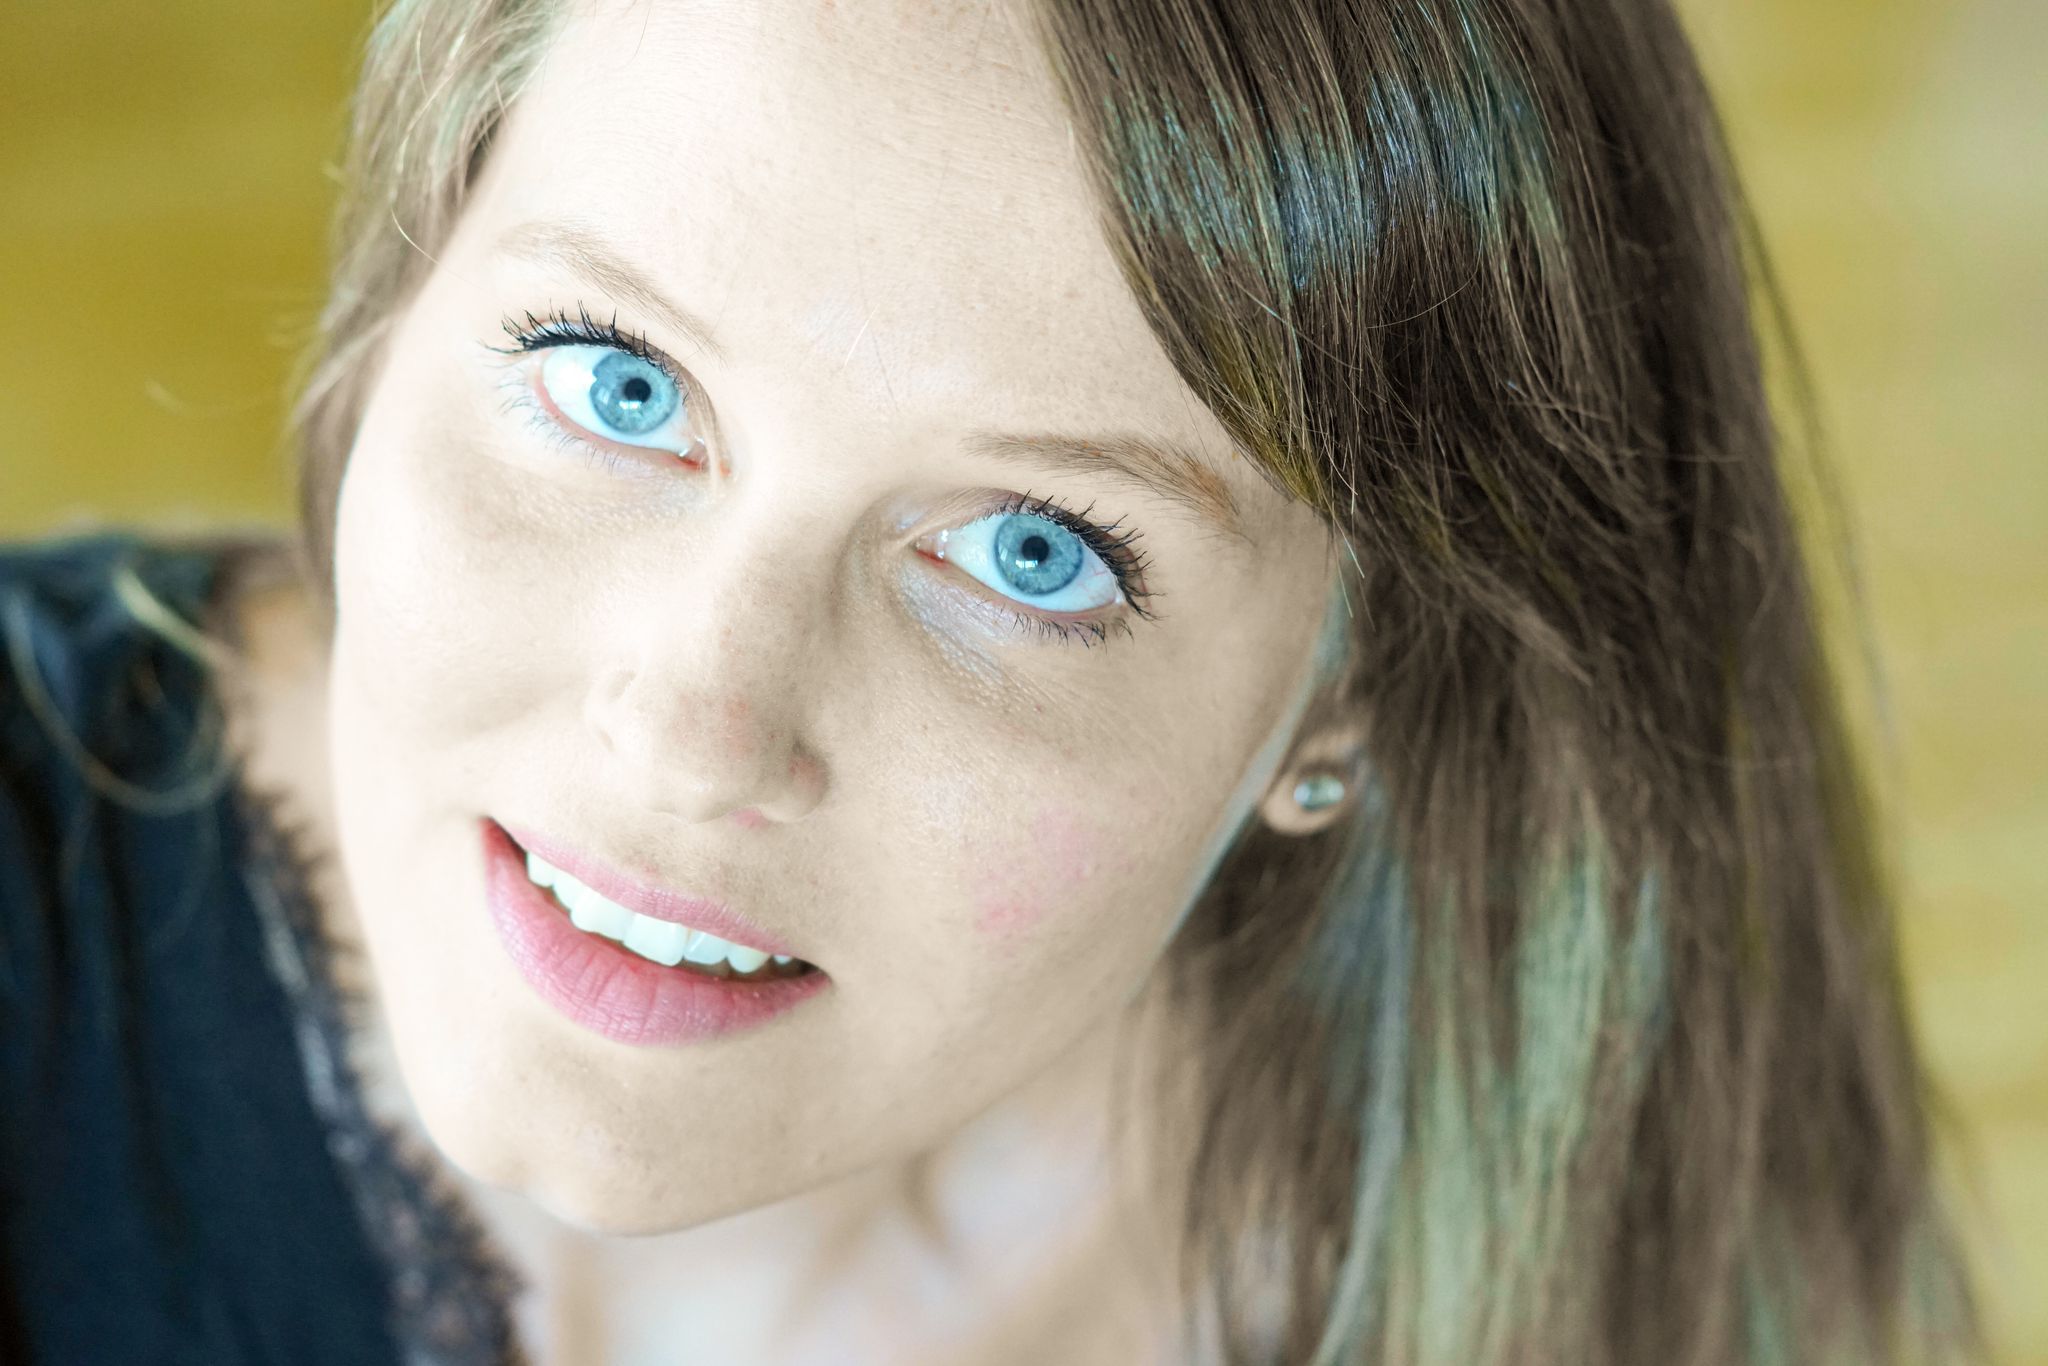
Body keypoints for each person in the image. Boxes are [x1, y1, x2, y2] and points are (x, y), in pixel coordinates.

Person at [0, 0, 1990, 1362]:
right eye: (615, 381)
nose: (692, 726)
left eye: (1032, 551)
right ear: (399, 300)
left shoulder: (1590, 1224)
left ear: (1358, 693)